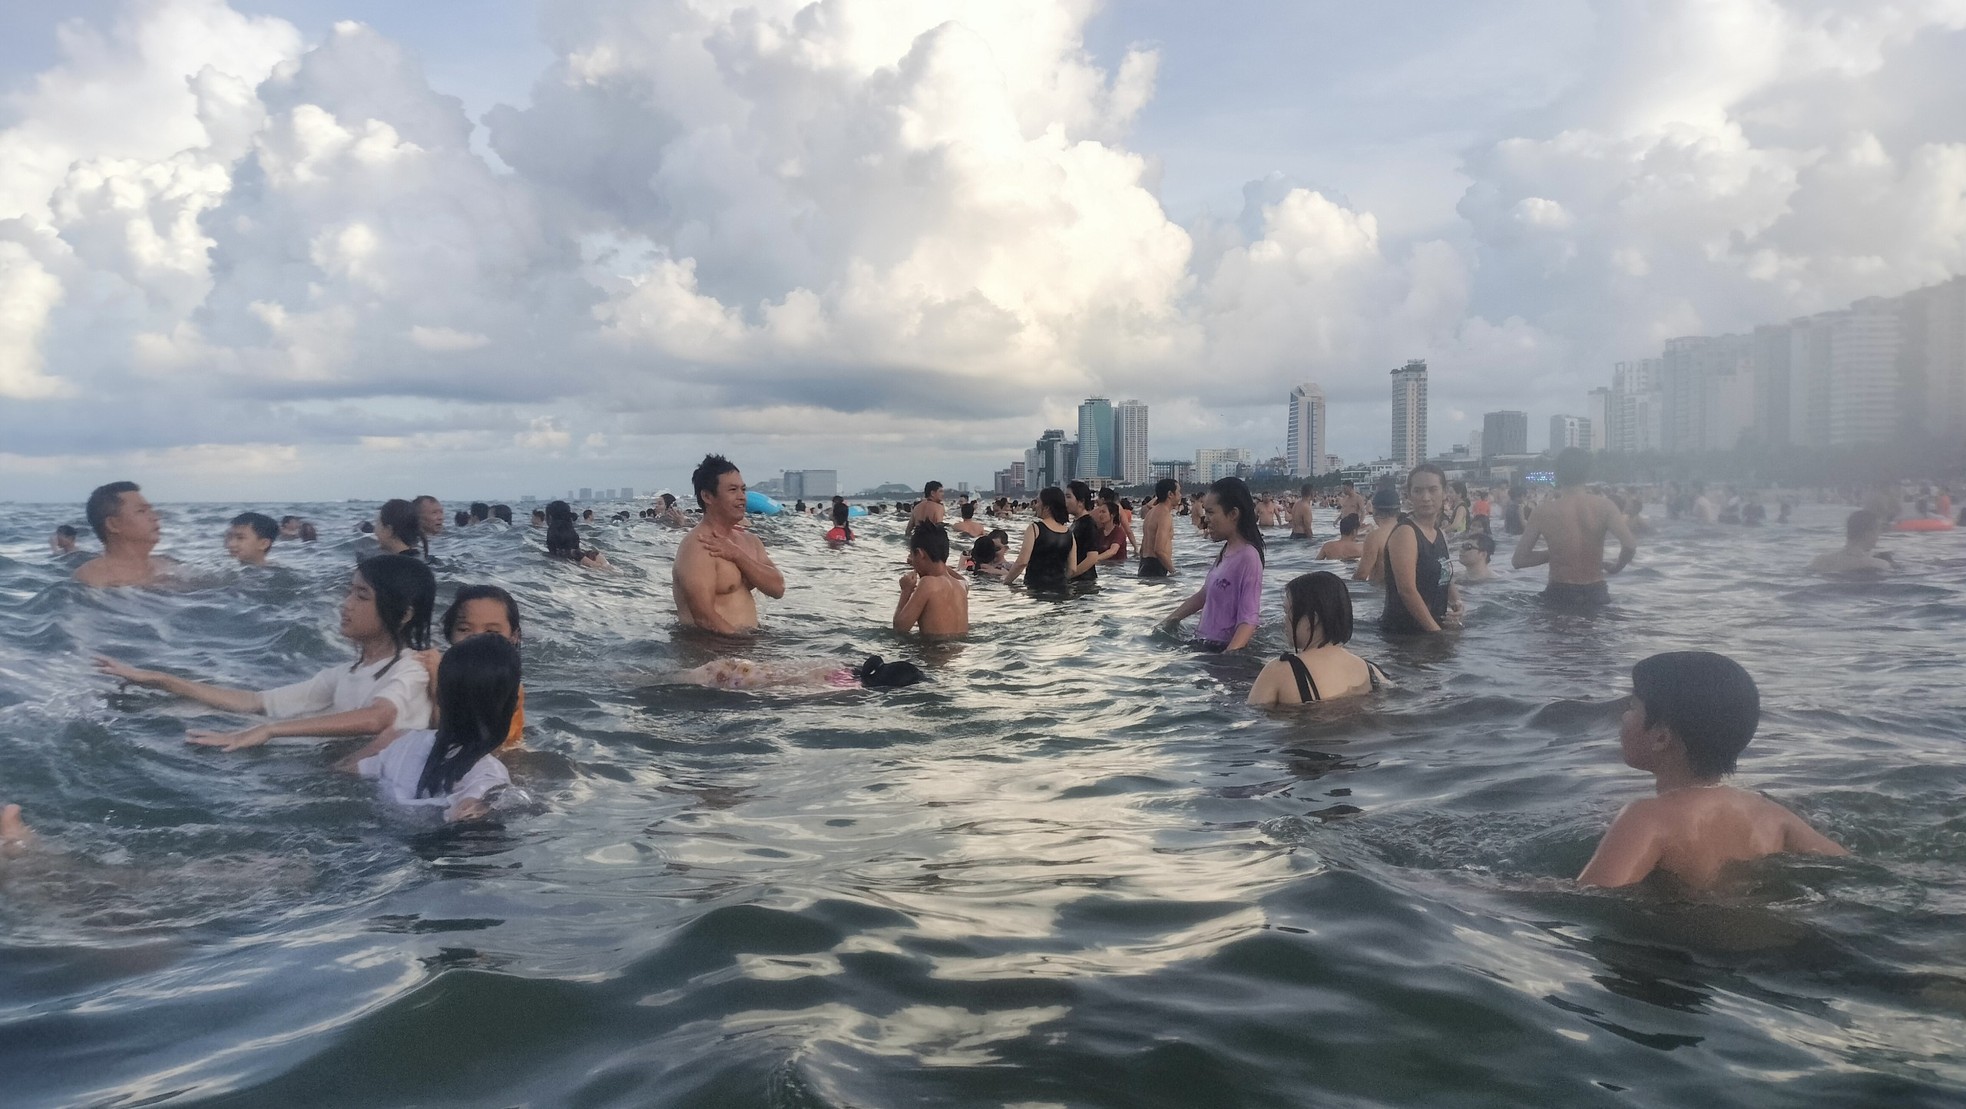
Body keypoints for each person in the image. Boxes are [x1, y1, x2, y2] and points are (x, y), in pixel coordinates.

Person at [94, 555, 435, 750]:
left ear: (403, 614)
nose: (345, 605)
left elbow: (378, 718)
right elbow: (255, 702)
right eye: (349, 592)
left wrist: (271, 731)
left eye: (362, 596)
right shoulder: (346, 673)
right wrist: (162, 680)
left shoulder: (413, 668)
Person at [1578, 652, 1848, 889]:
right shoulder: (1769, 811)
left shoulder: (1645, 817)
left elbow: (1591, 894)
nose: (1624, 716)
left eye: (1632, 706)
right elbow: (1846, 865)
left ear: (1661, 737)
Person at [341, 633, 518, 823]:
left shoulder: (404, 744)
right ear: (513, 705)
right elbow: (468, 814)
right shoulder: (490, 775)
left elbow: (343, 771)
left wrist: (376, 745)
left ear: (439, 697)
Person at [404, 584, 528, 751]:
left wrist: (436, 685)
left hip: (503, 759)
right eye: (464, 629)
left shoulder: (504, 687)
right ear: (449, 633)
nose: (476, 638)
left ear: (514, 637)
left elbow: (454, 736)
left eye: (491, 631)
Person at [672, 454, 786, 634]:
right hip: (712, 653)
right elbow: (703, 617)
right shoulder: (698, 546)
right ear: (707, 496)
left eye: (743, 489)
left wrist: (738, 556)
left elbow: (778, 589)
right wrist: (744, 649)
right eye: (733, 490)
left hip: (745, 648)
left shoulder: (750, 541)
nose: (742, 497)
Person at [1510, 448, 1636, 607]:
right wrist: (1616, 568)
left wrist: (1555, 552)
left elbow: (1519, 560)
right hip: (1596, 591)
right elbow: (1630, 545)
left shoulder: (1542, 511)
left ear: (1557, 473)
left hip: (1560, 592)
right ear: (1588, 473)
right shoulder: (1605, 506)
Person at [1249, 572, 1389, 706]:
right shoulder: (1371, 671)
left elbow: (1253, 719)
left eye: (1287, 612)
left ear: (1314, 620)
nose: (1284, 621)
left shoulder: (1280, 671)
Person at [1162, 477, 1264, 651]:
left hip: (1220, 652)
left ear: (1233, 514)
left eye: (1210, 512)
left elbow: (1249, 620)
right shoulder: (1226, 550)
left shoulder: (1248, 557)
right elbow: (1204, 594)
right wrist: (1169, 621)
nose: (1206, 519)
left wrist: (1228, 656)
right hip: (1204, 645)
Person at [1381, 464, 1462, 635]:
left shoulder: (1439, 533)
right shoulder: (1406, 533)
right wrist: (1437, 633)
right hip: (1404, 635)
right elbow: (1406, 590)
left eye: (1433, 490)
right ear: (1409, 495)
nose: (1426, 497)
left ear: (1444, 492)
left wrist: (1457, 602)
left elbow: (1445, 576)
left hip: (1431, 628)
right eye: (1418, 491)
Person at [75, 481, 170, 587]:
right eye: (141, 511)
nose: (155, 517)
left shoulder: (166, 566)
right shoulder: (92, 577)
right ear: (113, 524)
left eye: (150, 510)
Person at [894, 523, 969, 637]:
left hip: (933, 653)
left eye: (912, 556)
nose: (913, 562)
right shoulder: (961, 586)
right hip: (958, 653)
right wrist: (938, 560)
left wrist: (906, 591)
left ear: (919, 553)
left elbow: (900, 628)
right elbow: (962, 579)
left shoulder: (928, 583)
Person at [1003, 487, 1077, 592]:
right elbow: (1072, 569)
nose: (1035, 506)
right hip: (1061, 588)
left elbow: (1022, 562)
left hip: (1035, 588)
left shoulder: (1034, 528)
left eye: (1038, 502)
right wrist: (1059, 581)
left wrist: (1006, 582)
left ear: (1047, 507)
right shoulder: (1069, 534)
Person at [1807, 510, 1894, 573]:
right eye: (1878, 531)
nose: (1878, 535)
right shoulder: (1879, 564)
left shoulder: (1820, 561)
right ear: (1868, 533)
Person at [1352, 489, 1402, 583]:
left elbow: (1361, 574)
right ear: (1398, 510)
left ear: (1375, 511)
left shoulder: (1375, 537)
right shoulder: (1409, 533)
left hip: (1378, 594)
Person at [1065, 481, 1111, 583]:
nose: (1065, 501)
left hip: (1084, 583)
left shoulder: (1088, 524)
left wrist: (1070, 575)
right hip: (1078, 581)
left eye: (1068, 497)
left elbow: (1092, 557)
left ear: (1081, 502)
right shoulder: (1077, 523)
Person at [544, 500, 609, 569]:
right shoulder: (570, 528)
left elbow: (561, 553)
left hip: (575, 561)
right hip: (588, 556)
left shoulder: (553, 530)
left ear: (550, 516)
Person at [1139, 478, 1180, 577]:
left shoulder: (1151, 513)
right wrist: (1174, 572)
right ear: (1170, 494)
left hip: (1144, 564)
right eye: (1179, 491)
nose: (1180, 495)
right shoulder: (1165, 516)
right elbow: (1159, 550)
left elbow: (1142, 549)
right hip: (1156, 566)